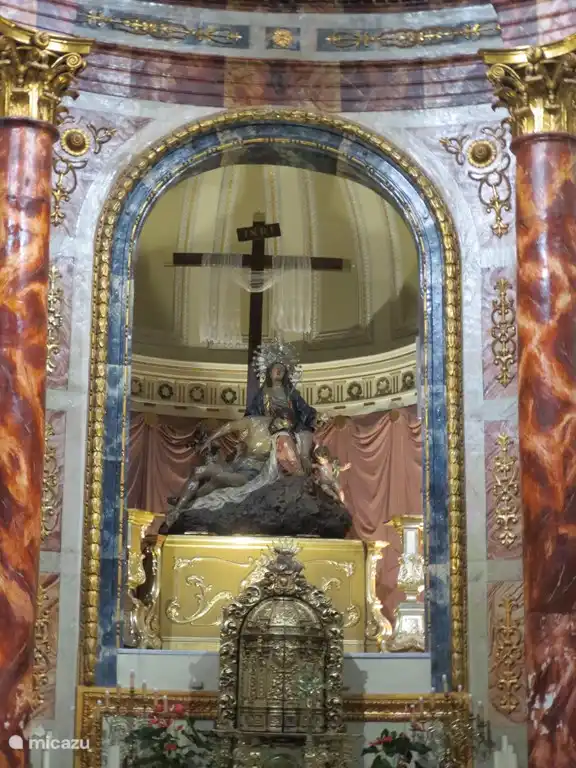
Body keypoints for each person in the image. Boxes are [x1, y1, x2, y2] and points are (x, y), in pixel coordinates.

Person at [246, 340, 317, 473]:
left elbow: (304, 409)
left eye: (282, 370)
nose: (279, 371)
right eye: (276, 368)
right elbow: (253, 412)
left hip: (292, 424)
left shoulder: (290, 392)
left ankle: (304, 460)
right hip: (271, 424)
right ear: (269, 371)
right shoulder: (263, 393)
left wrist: (312, 416)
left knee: (305, 434)